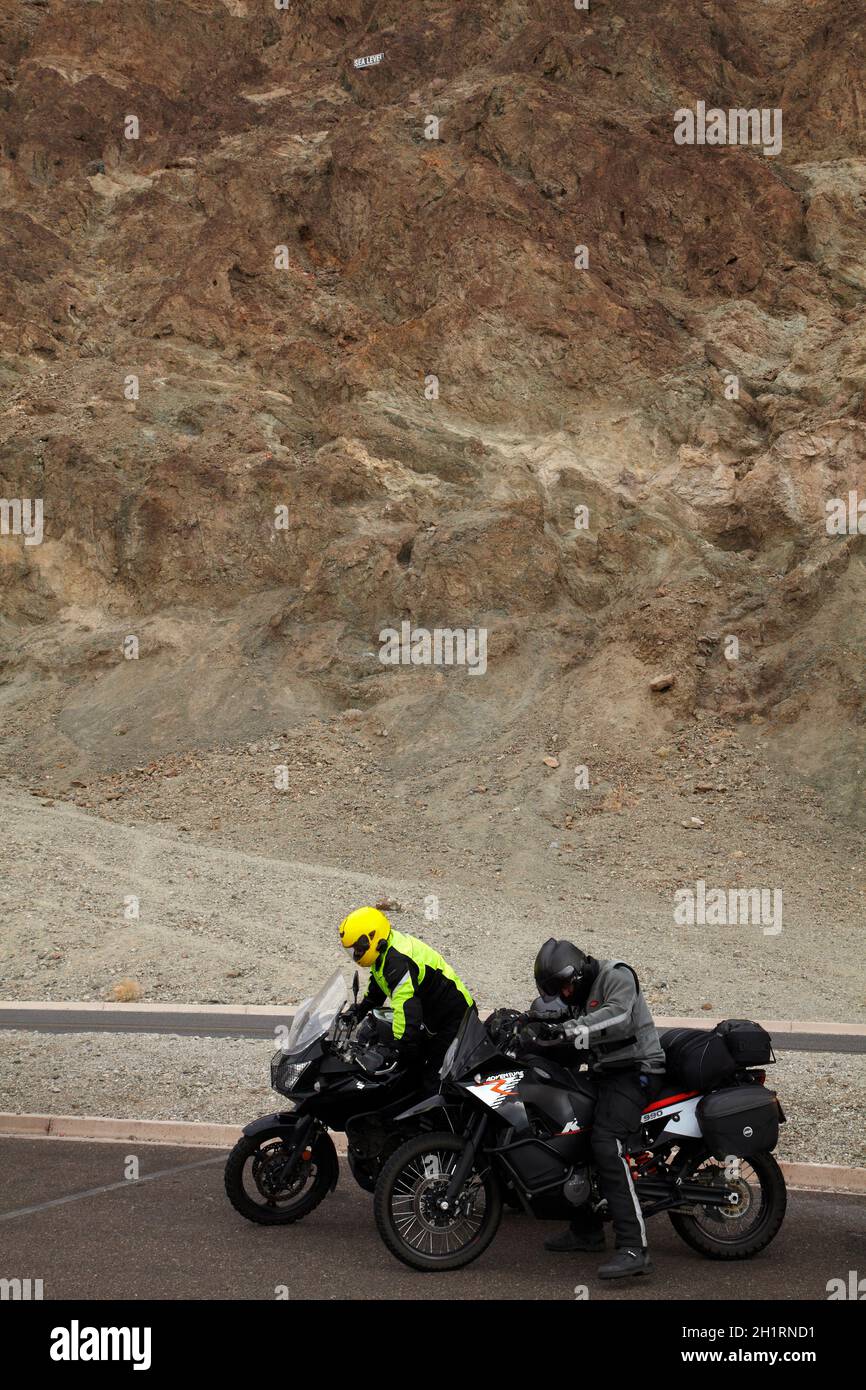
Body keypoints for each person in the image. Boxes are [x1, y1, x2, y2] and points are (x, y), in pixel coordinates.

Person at [533, 937, 665, 1279]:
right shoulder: (575, 994)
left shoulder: (616, 976)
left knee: (607, 1143)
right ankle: (587, 1230)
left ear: (575, 975)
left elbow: (617, 1018)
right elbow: (556, 1018)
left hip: (639, 1072)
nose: (564, 996)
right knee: (571, 1130)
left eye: (563, 988)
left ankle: (635, 1248)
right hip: (606, 1073)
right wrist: (525, 1024)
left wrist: (563, 1030)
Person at [338, 907, 474, 1079]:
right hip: (432, 1013)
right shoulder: (383, 952)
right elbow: (379, 986)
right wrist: (359, 1011)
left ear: (372, 938)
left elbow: (407, 1007)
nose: (356, 954)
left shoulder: (397, 961)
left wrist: (398, 1047)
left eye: (358, 948)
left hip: (455, 1017)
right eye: (352, 950)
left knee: (430, 1079)